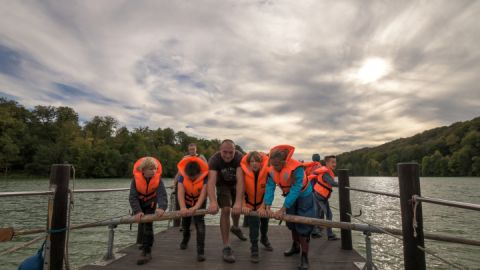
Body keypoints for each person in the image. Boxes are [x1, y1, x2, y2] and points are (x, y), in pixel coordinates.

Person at [259, 145, 315, 270]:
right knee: (291, 223)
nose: (275, 168)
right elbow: (270, 187)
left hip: (304, 195)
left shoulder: (297, 169)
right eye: (273, 165)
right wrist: (267, 206)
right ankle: (295, 246)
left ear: (284, 162)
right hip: (290, 195)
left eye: (277, 165)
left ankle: (304, 256)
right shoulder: (272, 169)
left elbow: (296, 189)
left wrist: (282, 209)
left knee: (303, 225)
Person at [207, 139, 246, 263]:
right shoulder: (214, 160)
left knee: (236, 207)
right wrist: (212, 201)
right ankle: (226, 246)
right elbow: (211, 182)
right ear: (220, 151)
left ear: (235, 151)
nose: (228, 155)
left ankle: (235, 227)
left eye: (231, 152)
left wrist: (239, 201)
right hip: (222, 185)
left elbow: (240, 180)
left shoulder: (240, 157)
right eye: (225, 152)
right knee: (226, 209)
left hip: (236, 185)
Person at [129, 157, 168, 265]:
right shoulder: (135, 180)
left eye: (155, 169)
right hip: (139, 204)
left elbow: (162, 194)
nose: (154, 171)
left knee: (148, 226)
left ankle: (147, 251)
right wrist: (137, 211)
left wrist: (162, 207)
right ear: (143, 170)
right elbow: (132, 197)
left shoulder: (158, 179)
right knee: (142, 224)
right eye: (151, 169)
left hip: (150, 203)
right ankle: (143, 244)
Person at [240, 151, 273, 263]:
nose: (254, 163)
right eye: (252, 161)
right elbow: (240, 191)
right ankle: (254, 248)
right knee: (254, 226)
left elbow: (268, 192)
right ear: (248, 163)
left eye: (257, 161)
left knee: (264, 223)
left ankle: (264, 238)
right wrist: (243, 205)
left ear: (261, 163)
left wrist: (263, 207)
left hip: (263, 203)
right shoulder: (243, 173)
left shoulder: (267, 173)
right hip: (249, 206)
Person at [177, 155, 209, 262]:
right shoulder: (182, 176)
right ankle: (185, 239)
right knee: (185, 224)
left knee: (200, 225)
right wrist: (183, 208)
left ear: (199, 173)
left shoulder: (205, 177)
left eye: (193, 177)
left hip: (199, 201)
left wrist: (196, 207)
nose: (191, 179)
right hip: (186, 201)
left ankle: (200, 252)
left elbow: (203, 195)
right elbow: (180, 193)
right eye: (189, 177)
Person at [309, 155, 339, 241]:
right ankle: (329, 235)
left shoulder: (326, 171)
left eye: (335, 162)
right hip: (320, 196)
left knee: (317, 214)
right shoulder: (325, 172)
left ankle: (314, 232)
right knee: (329, 215)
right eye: (332, 162)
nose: (334, 164)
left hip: (318, 194)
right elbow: (331, 183)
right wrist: (343, 184)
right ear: (327, 163)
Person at [304, 153, 324, 238]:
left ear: (313, 159)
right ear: (319, 159)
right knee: (318, 209)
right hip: (318, 191)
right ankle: (316, 229)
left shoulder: (308, 167)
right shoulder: (321, 167)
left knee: (312, 209)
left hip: (309, 191)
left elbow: (305, 178)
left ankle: (312, 227)